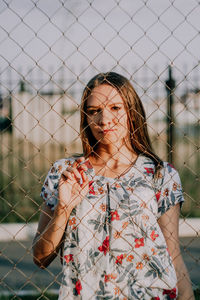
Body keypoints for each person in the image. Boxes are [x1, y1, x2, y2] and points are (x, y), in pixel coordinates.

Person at [33, 72, 194, 300]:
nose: (104, 119)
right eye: (94, 111)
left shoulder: (160, 174)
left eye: (115, 108)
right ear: (85, 118)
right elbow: (40, 258)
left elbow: (173, 256)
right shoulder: (66, 174)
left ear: (132, 110)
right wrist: (63, 209)